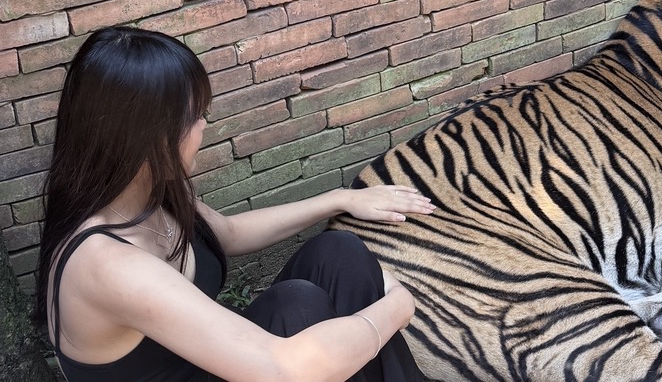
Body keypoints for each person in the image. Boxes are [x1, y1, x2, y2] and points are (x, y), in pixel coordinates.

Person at [34, 26, 433, 381]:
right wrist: (399, 306)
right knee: (303, 313)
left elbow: (228, 233)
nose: (204, 125)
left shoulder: (150, 191)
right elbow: (288, 370)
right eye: (195, 116)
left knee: (337, 254)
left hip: (211, 364)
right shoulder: (109, 265)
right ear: (147, 136)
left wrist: (340, 199)